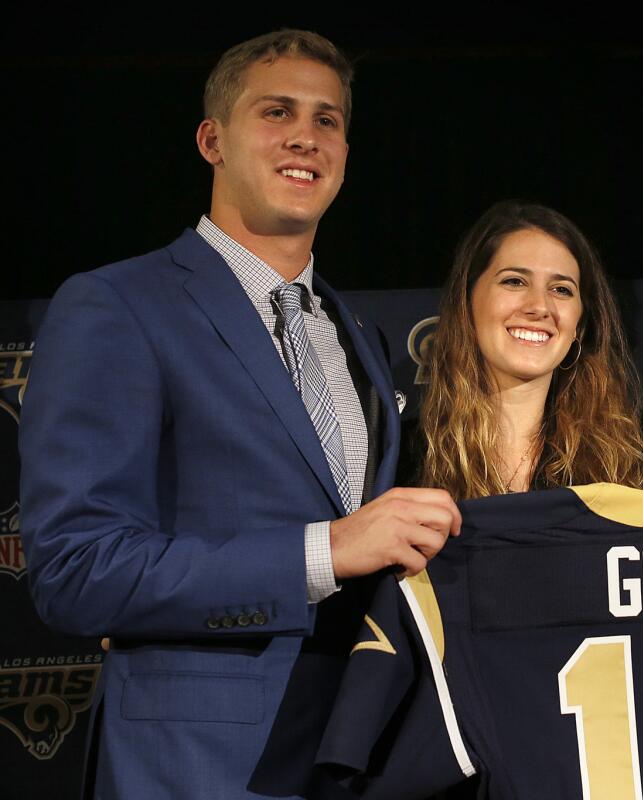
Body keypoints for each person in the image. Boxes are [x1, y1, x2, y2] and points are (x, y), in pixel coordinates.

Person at [18, 30, 460, 800]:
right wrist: (322, 552)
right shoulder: (119, 306)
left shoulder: (356, 332)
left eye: (327, 120)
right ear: (211, 139)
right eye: (277, 111)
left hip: (357, 753)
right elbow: (75, 571)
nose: (305, 136)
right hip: (199, 766)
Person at [409, 199, 643, 496]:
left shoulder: (623, 464)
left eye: (561, 289)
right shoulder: (405, 459)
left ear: (579, 324)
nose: (539, 307)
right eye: (514, 281)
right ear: (467, 303)